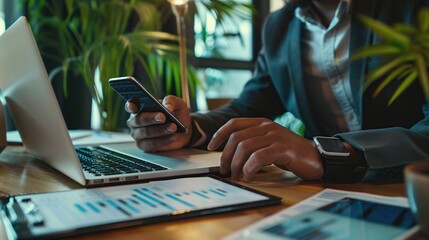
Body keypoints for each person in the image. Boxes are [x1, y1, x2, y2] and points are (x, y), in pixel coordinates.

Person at [125, 0, 429, 183]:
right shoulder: (279, 27)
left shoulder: (413, 10)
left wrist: (324, 154)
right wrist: (190, 129)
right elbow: (249, 106)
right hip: (334, 196)